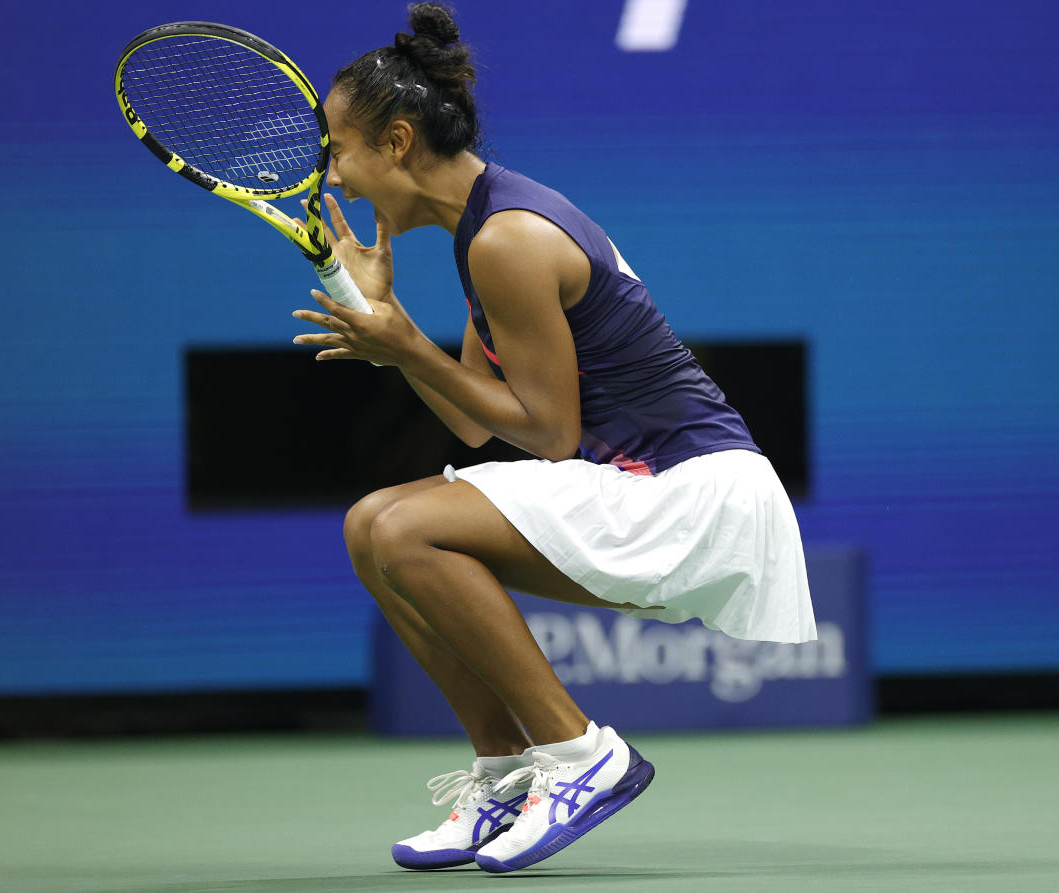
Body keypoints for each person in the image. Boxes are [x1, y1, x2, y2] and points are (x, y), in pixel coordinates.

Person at [291, 2, 816, 875]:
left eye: (339, 149)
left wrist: (407, 345)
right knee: (369, 530)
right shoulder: (478, 235)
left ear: (397, 141)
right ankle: (502, 778)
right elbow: (472, 418)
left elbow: (548, 432)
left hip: (694, 488)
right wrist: (395, 334)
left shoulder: (509, 238)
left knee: (403, 527)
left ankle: (580, 755)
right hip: (645, 484)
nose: (334, 176)